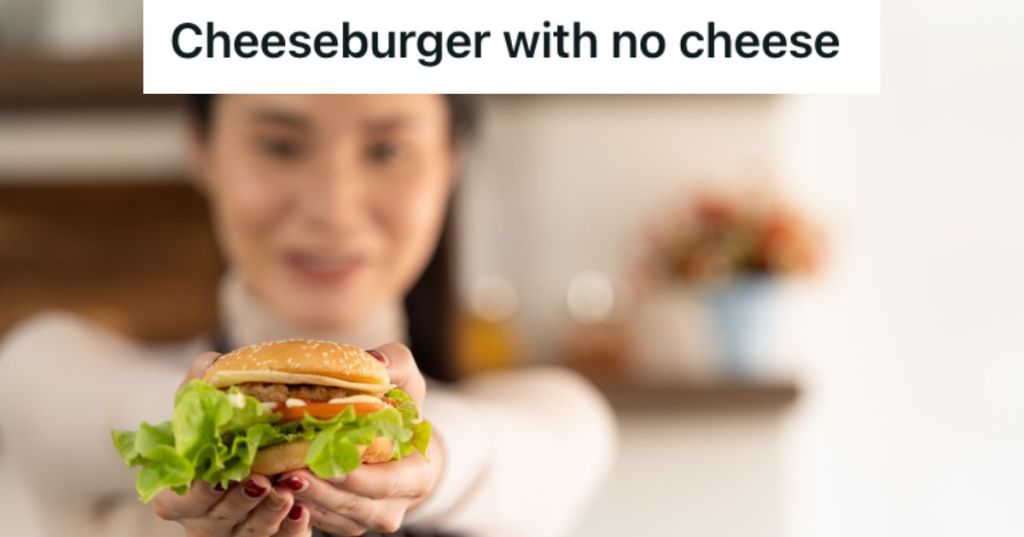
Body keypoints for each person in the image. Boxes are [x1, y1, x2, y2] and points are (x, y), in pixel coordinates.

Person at [0, 95, 616, 537]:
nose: (332, 207)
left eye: (387, 149)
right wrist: (201, 428)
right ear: (202, 147)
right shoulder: (64, 372)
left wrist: (422, 465)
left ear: (450, 161)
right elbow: (51, 396)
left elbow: (524, 449)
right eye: (279, 144)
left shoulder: (538, 414)